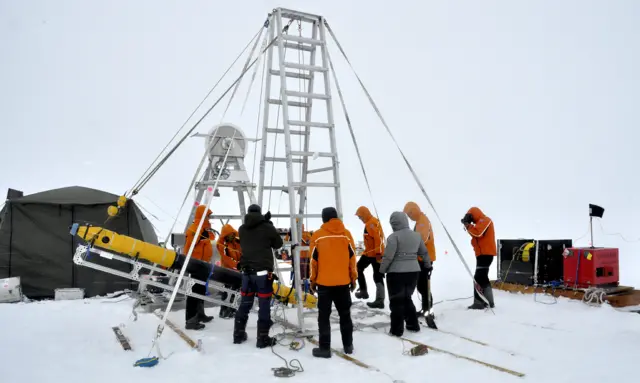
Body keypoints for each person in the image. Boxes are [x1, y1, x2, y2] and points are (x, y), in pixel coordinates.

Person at [309, 207, 357, 358]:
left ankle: (324, 349)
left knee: (324, 317)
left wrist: (312, 281)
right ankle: (348, 346)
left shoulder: (317, 236)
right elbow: (352, 259)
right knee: (345, 315)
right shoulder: (347, 235)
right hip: (343, 283)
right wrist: (353, 278)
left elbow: (313, 262)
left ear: (324, 218)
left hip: (324, 284)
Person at [233, 204, 284, 348]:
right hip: (262, 275)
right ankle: (262, 339)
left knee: (244, 305)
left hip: (246, 274)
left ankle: (238, 334)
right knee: (264, 307)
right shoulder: (267, 227)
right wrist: (267, 223)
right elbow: (278, 244)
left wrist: (264, 222)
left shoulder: (242, 229)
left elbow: (254, 233)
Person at [379, 211, 431, 337]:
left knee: (396, 301)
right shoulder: (417, 236)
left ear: (394, 223)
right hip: (413, 272)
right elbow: (424, 253)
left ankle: (396, 330)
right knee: (407, 298)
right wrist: (427, 265)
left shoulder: (393, 237)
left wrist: (382, 270)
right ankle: (413, 325)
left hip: (396, 273)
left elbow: (388, 256)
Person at [183, 204, 215, 330]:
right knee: (193, 293)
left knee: (200, 291)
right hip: (195, 265)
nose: (209, 218)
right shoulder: (195, 229)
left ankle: (200, 314)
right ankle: (190, 320)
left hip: (203, 265)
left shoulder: (204, 230)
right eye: (207, 216)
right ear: (202, 216)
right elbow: (189, 246)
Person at [403, 202, 436, 316]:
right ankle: (425, 309)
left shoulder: (422, 221)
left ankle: (428, 310)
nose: (409, 217)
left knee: (424, 286)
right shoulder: (419, 221)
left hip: (425, 259)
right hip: (420, 258)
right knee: (421, 285)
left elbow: (422, 239)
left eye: (409, 214)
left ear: (414, 211)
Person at [462, 207, 496, 309]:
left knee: (478, 278)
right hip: (482, 254)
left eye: (470, 216)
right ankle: (488, 302)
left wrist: (468, 225)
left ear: (474, 214)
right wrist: (468, 225)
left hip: (486, 254)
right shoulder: (479, 223)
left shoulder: (485, 220)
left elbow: (478, 233)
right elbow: (475, 234)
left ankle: (479, 302)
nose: (470, 219)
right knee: (483, 277)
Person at [354, 206, 386, 308]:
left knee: (377, 276)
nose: (360, 219)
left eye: (360, 217)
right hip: (369, 253)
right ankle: (363, 291)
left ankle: (380, 300)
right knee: (358, 267)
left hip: (376, 254)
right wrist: (366, 253)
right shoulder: (370, 222)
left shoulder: (371, 223)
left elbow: (378, 239)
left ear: (364, 214)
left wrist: (378, 254)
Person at [216, 224, 242, 319]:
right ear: (225, 235)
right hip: (227, 270)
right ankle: (223, 311)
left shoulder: (237, 241)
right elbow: (226, 258)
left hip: (237, 271)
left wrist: (242, 262)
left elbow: (242, 252)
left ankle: (232, 310)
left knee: (235, 290)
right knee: (227, 290)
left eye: (232, 234)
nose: (231, 236)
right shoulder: (221, 244)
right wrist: (236, 265)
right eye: (229, 235)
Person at [285, 219, 312, 291]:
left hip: (301, 259)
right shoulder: (307, 234)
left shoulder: (304, 234)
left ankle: (303, 292)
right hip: (301, 259)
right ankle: (304, 292)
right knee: (302, 277)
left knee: (301, 277)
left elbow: (285, 243)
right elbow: (285, 244)